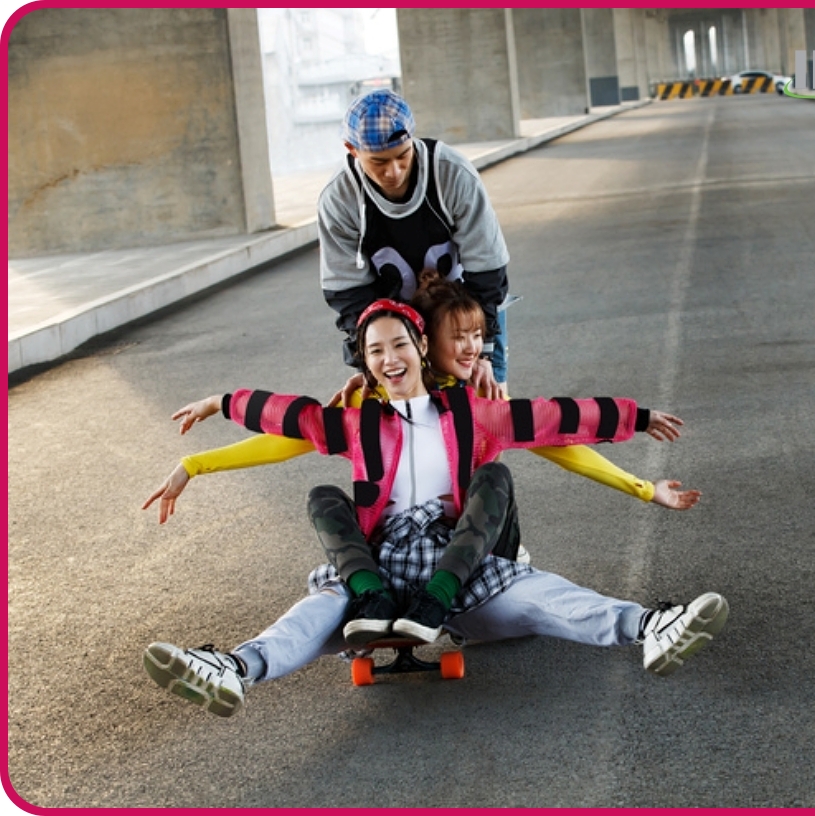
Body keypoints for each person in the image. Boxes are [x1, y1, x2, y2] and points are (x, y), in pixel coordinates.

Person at [142, 300, 728, 717]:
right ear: (365, 364)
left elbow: (556, 419)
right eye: (375, 350)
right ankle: (233, 670)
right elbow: (285, 417)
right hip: (375, 573)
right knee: (319, 553)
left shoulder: (475, 414)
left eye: (399, 344)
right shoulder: (358, 423)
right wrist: (212, 419)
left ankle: (652, 627)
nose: (389, 357)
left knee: (541, 587)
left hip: (458, 567)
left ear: (421, 347)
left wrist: (637, 419)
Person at [319, 88, 510, 396]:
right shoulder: (339, 198)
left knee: (489, 408)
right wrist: (366, 362)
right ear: (351, 149)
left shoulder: (452, 172)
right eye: (379, 161)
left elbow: (487, 268)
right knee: (410, 412)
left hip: (470, 310)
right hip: (397, 323)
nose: (393, 172)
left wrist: (484, 351)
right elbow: (348, 291)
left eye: (402, 156)